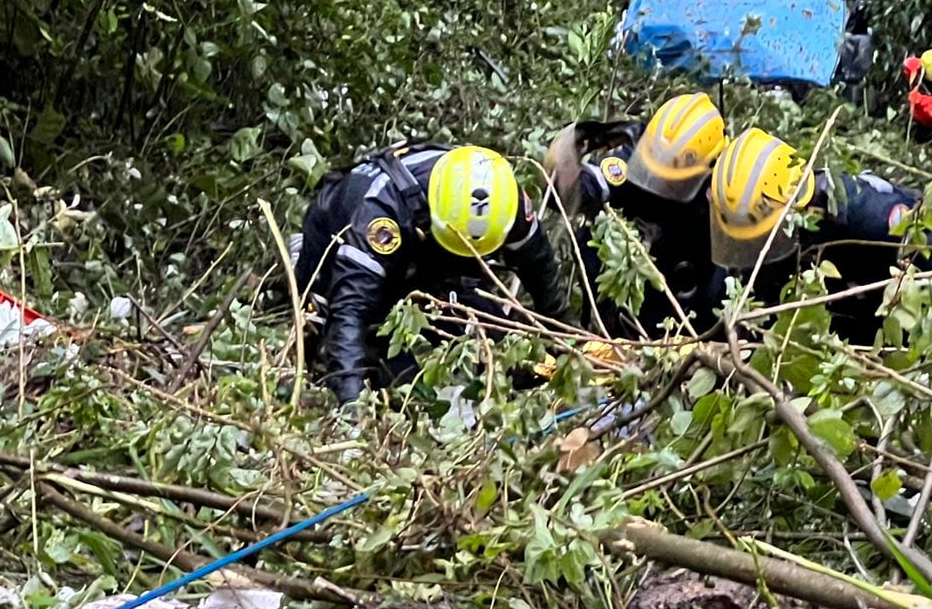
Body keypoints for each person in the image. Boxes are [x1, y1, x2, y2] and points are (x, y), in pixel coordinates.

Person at [292, 144, 569, 403]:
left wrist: (560, 339)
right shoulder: (383, 212)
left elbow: (540, 268)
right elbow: (351, 311)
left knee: (503, 345)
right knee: (401, 386)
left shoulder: (507, 203)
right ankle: (305, 280)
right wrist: (351, 407)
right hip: (341, 235)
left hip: (436, 259)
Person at [705, 128, 932, 343]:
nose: (755, 247)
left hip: (890, 290)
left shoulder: (860, 209)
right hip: (838, 305)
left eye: (763, 238)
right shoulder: (755, 240)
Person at [542, 93, 726, 335]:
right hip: (624, 281)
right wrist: (569, 163)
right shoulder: (637, 153)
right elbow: (587, 186)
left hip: (684, 284)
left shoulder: (721, 189)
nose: (662, 183)